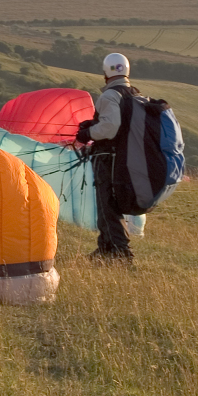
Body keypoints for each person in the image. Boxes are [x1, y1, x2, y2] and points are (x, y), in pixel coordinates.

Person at [75, 52, 135, 264]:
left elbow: (110, 127)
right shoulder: (132, 94)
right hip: (122, 158)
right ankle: (106, 248)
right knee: (107, 205)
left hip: (108, 159)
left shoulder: (110, 96)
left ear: (106, 72)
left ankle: (122, 253)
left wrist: (87, 134)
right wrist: (91, 125)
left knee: (107, 205)